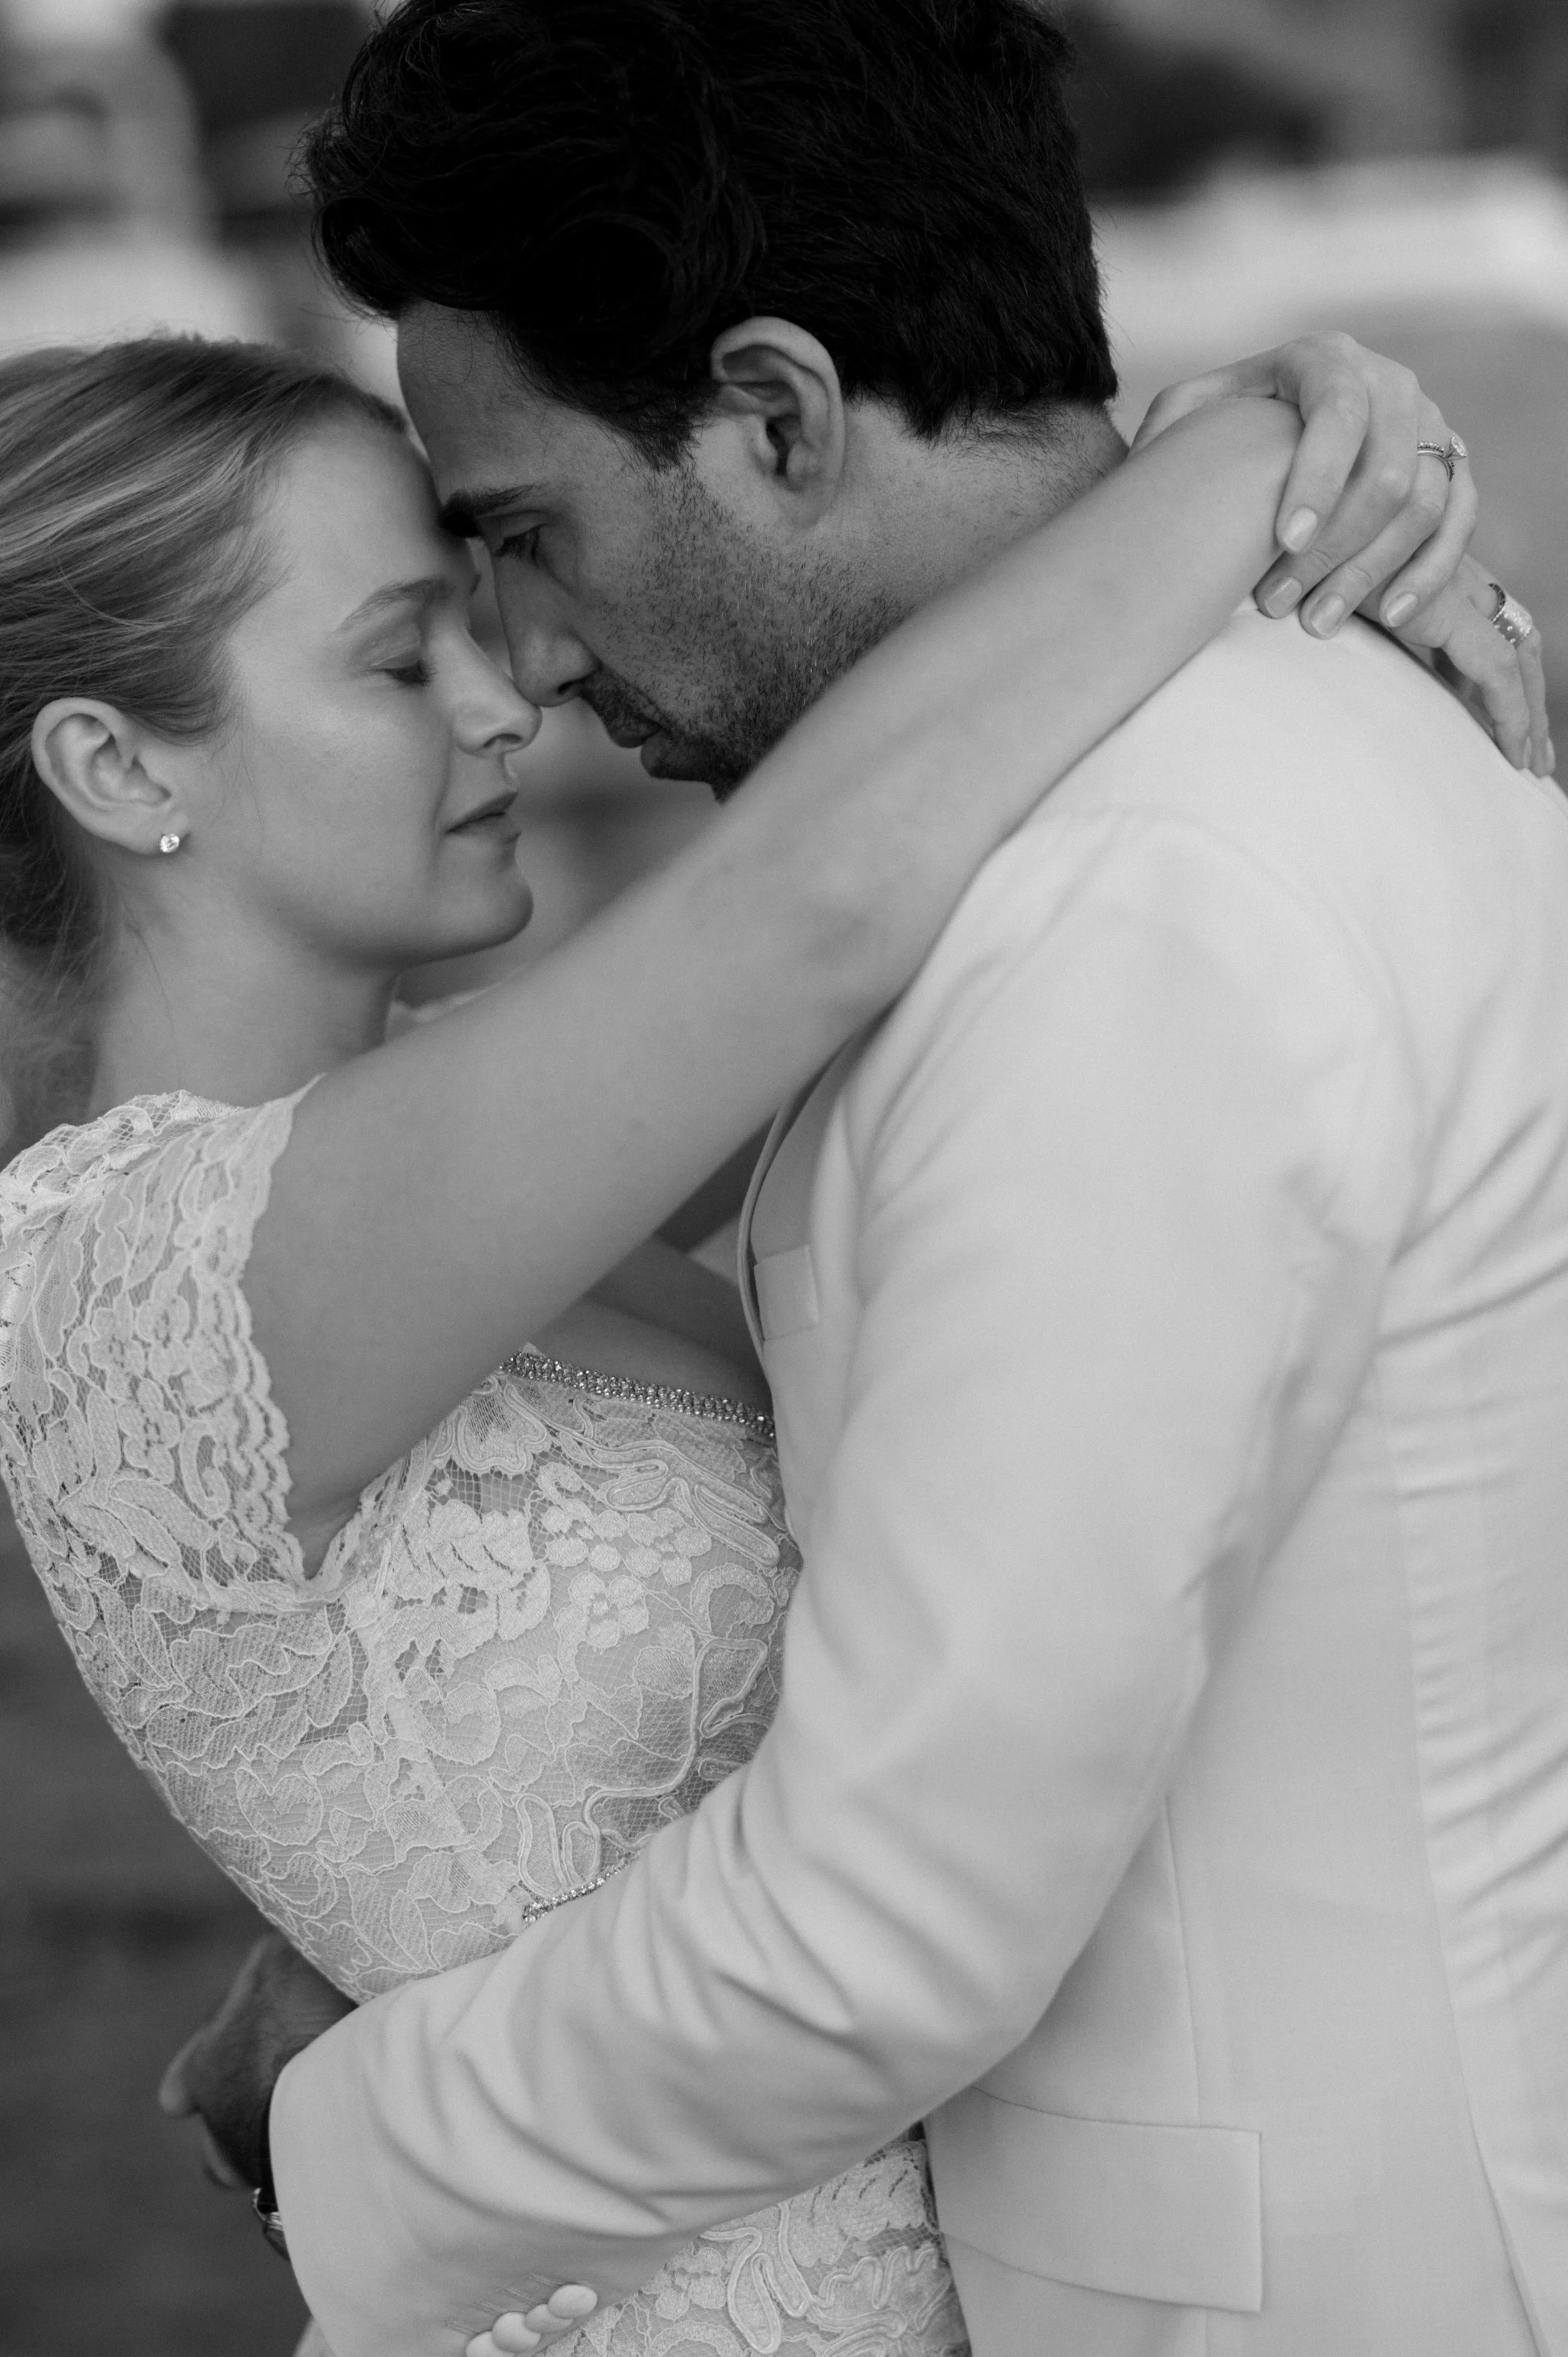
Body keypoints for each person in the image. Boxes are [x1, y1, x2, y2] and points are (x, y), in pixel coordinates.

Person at [145, 4, 1567, 2356]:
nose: (530, 657)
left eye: (526, 534)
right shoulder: (1241, 736)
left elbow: (895, 1911)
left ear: (780, 411)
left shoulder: (1129, 903)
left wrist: (358, 2120)